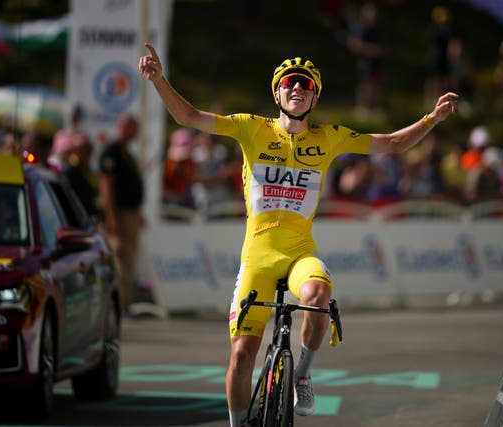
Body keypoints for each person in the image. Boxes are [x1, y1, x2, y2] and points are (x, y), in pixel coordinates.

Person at [139, 44, 458, 427]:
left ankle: (302, 374)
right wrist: (159, 80)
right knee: (242, 356)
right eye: (288, 83)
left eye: (305, 85)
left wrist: (432, 119)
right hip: (257, 257)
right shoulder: (251, 127)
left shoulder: (329, 137)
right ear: (277, 93)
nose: (296, 88)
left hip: (298, 253)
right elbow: (188, 116)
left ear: (314, 96)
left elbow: (391, 143)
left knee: (319, 296)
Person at [98, 114, 143, 314]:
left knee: (129, 258)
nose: (134, 132)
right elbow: (107, 186)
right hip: (119, 213)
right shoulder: (112, 152)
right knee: (120, 258)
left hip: (130, 212)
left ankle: (126, 303)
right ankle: (119, 305)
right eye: (131, 128)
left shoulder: (127, 153)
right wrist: (111, 216)